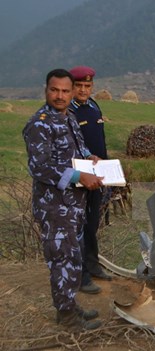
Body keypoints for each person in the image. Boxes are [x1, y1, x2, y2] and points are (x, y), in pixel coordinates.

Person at [22, 68, 104, 331]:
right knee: (62, 259)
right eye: (54, 90)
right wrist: (78, 175)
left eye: (65, 91)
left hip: (73, 205)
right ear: (46, 90)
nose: (60, 96)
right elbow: (40, 167)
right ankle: (67, 318)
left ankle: (69, 306)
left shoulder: (67, 117)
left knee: (71, 258)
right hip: (55, 206)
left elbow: (75, 151)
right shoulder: (40, 123)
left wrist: (90, 158)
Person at [68, 66, 113, 295]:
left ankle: (93, 265)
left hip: (98, 174)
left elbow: (99, 141)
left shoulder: (94, 106)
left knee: (93, 223)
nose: (83, 90)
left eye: (87, 86)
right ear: (72, 87)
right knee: (79, 227)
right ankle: (81, 274)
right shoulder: (68, 111)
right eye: (79, 86)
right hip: (78, 179)